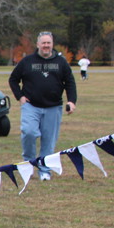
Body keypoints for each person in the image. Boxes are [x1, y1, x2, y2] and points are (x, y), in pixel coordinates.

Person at [8, 31, 77, 181]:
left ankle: (44, 170)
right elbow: (13, 79)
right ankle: (28, 164)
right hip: (31, 106)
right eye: (43, 43)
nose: (46, 45)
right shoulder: (27, 61)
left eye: (48, 43)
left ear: (52, 44)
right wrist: (20, 97)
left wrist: (71, 101)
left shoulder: (61, 62)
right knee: (28, 132)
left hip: (53, 107)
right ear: (38, 44)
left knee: (48, 140)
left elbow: (70, 82)